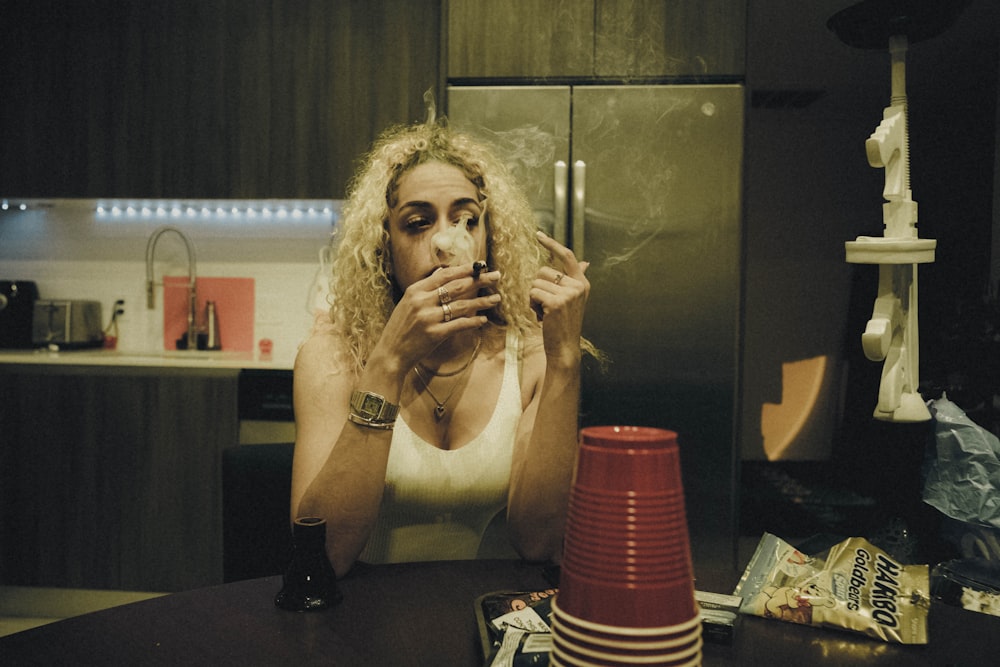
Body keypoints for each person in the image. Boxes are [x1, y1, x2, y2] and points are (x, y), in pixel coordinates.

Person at [290, 121, 594, 577]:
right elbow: (320, 556)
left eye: (467, 219)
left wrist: (565, 358)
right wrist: (389, 363)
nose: (445, 243)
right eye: (417, 223)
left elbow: (541, 542)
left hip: (490, 620)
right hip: (359, 625)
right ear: (383, 246)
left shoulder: (531, 355)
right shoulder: (334, 359)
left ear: (488, 241)